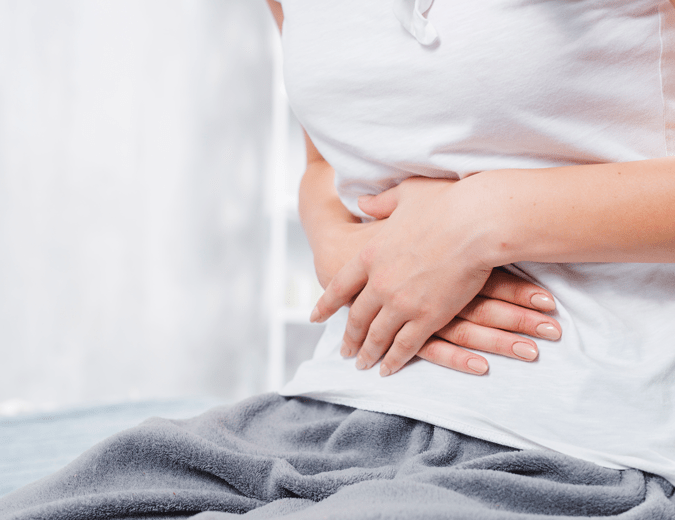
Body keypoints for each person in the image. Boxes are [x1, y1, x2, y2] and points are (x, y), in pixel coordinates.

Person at [2, 1, 675, 518]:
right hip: (336, 410)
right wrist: (338, 243)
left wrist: (481, 219)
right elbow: (328, 163)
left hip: (593, 444)